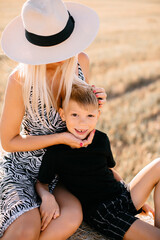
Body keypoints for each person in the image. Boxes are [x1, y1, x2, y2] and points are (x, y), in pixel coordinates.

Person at [0, 0, 107, 239]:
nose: (60, 54)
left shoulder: (80, 62)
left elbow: (79, 117)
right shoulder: (20, 80)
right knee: (26, 228)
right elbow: (8, 141)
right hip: (24, 169)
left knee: (71, 217)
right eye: (51, 48)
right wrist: (60, 137)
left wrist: (95, 105)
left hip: (64, 169)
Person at [36, 81, 160, 240]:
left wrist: (139, 201)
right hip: (104, 212)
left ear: (98, 116)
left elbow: (109, 171)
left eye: (90, 116)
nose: (82, 123)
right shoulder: (57, 151)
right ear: (63, 114)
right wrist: (47, 197)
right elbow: (41, 182)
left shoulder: (101, 139)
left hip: (121, 195)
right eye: (75, 115)